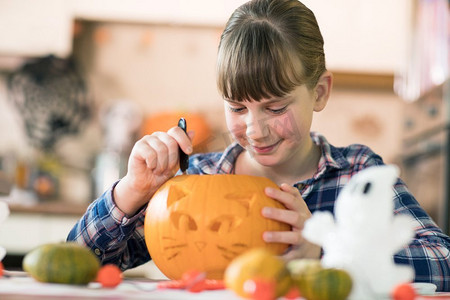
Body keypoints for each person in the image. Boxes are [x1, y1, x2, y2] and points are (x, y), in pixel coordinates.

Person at [67, 0, 450, 292]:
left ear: (319, 92)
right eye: (237, 107)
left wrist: (327, 250)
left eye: (276, 107)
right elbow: (76, 263)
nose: (256, 129)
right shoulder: (195, 178)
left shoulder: (356, 174)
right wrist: (131, 192)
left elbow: (442, 262)